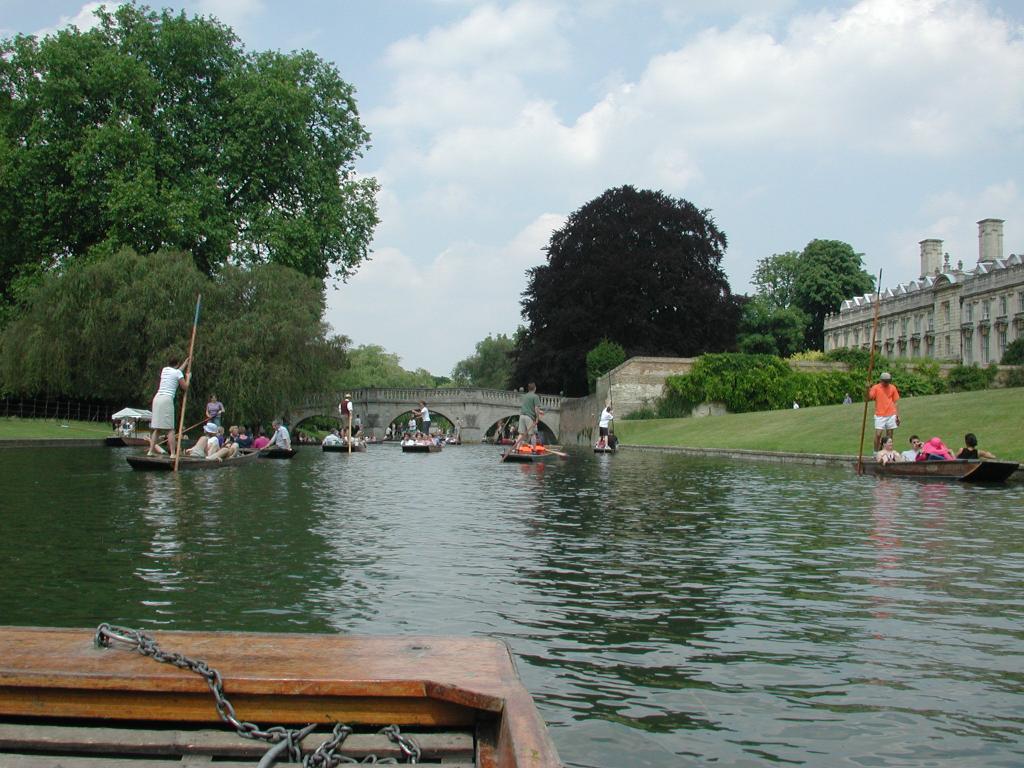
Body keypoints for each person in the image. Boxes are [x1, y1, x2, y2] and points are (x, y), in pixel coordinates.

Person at [147, 352, 191, 457]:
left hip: (157, 399)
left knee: (157, 428)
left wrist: (185, 363)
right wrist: (188, 377)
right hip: (166, 400)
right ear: (177, 363)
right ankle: (173, 454)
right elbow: (185, 387)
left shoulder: (165, 370)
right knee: (170, 429)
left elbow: (177, 372)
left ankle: (150, 451)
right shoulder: (177, 373)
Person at [867, 371, 900, 452]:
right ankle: (876, 452)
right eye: (885, 381)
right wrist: (867, 389)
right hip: (880, 414)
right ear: (881, 380)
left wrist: (897, 415)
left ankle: (888, 451)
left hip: (891, 414)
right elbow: (869, 397)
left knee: (889, 436)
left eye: (888, 381)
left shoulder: (892, 387)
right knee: (878, 434)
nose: (886, 383)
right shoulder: (876, 388)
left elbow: (896, 402)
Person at [513, 382, 544, 451]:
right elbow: (536, 408)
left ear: (528, 389)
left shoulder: (525, 396)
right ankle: (534, 450)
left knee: (521, 434)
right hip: (529, 417)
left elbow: (529, 407)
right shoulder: (535, 397)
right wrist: (537, 418)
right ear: (535, 388)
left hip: (522, 416)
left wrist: (540, 411)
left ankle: (517, 449)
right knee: (532, 434)